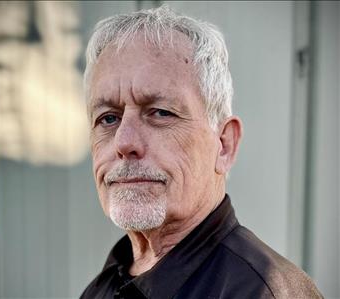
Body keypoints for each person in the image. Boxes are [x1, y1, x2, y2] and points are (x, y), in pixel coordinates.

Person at [80, 5, 322, 299]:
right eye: (108, 118)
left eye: (160, 113)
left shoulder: (263, 292)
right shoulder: (101, 288)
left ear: (224, 145)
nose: (123, 142)